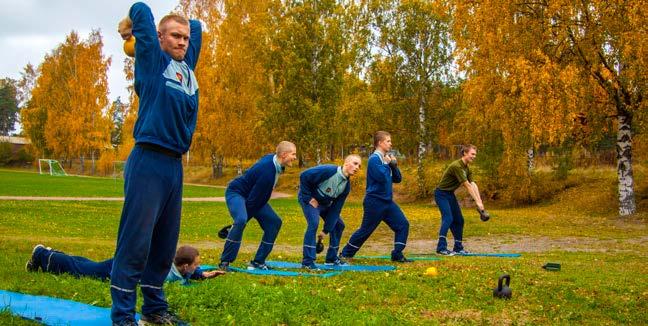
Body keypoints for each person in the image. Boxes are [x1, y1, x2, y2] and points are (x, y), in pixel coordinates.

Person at [111, 2, 203, 325]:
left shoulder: (187, 65)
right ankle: (123, 315)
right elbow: (140, 8)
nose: (182, 42)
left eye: (184, 38)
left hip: (174, 167)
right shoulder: (152, 60)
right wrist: (129, 26)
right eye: (174, 36)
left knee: (165, 245)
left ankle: (153, 309)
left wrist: (184, 28)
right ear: (159, 38)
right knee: (135, 243)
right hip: (148, 160)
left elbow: (198, 27)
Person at [219, 141, 297, 271]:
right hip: (237, 192)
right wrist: (237, 225)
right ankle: (225, 262)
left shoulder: (273, 159)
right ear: (283, 155)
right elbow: (252, 202)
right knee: (241, 220)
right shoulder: (267, 172)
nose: (295, 157)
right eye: (293, 154)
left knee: (274, 222)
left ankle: (258, 262)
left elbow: (256, 200)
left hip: (254, 198)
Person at [340, 131, 412, 262]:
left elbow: (398, 179)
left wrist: (393, 165)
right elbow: (382, 177)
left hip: (387, 202)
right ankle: (345, 254)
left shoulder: (386, 159)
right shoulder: (374, 159)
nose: (391, 143)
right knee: (365, 230)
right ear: (380, 143)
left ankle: (397, 254)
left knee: (403, 224)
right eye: (388, 141)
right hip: (375, 202)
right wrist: (386, 164)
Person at [25, 244, 225, 285]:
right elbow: (180, 279)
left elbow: (187, 274)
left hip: (124, 264)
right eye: (196, 265)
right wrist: (198, 276)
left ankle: (52, 254)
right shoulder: (168, 273)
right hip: (119, 270)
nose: (198, 267)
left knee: (87, 264)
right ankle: (41, 254)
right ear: (184, 266)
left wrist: (202, 275)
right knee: (81, 270)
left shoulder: (176, 267)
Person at [298, 155, 362, 269]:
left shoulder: (346, 187)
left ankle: (331, 259)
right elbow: (304, 176)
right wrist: (308, 198)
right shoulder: (328, 170)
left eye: (359, 166)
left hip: (325, 203)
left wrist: (326, 230)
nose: (357, 167)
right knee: (313, 223)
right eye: (355, 163)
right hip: (309, 199)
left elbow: (336, 209)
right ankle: (307, 262)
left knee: (338, 225)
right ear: (346, 163)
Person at [434, 144, 485, 255]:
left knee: (459, 220)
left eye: (475, 154)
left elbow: (473, 184)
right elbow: (467, 185)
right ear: (465, 153)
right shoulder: (457, 166)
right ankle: (441, 247)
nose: (474, 156)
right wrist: (477, 202)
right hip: (441, 194)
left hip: (450, 194)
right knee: (448, 218)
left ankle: (458, 247)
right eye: (472, 154)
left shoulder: (467, 168)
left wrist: (480, 202)